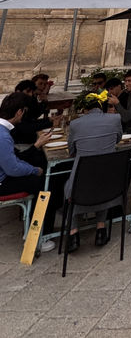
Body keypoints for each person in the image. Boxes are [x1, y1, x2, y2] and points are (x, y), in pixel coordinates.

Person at [64, 96, 123, 251]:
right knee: (101, 179)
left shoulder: (76, 124)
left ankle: (73, 232)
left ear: (84, 110)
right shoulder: (115, 118)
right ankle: (101, 228)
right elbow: (118, 138)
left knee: (69, 185)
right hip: (110, 182)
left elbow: (71, 151)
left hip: (82, 180)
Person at [0, 92, 58, 249]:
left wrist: (35, 149)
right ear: (19, 112)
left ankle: (35, 230)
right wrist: (34, 170)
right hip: (3, 181)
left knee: (43, 175)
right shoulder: (3, 134)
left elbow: (14, 158)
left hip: (5, 175)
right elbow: (12, 168)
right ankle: (38, 236)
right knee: (47, 185)